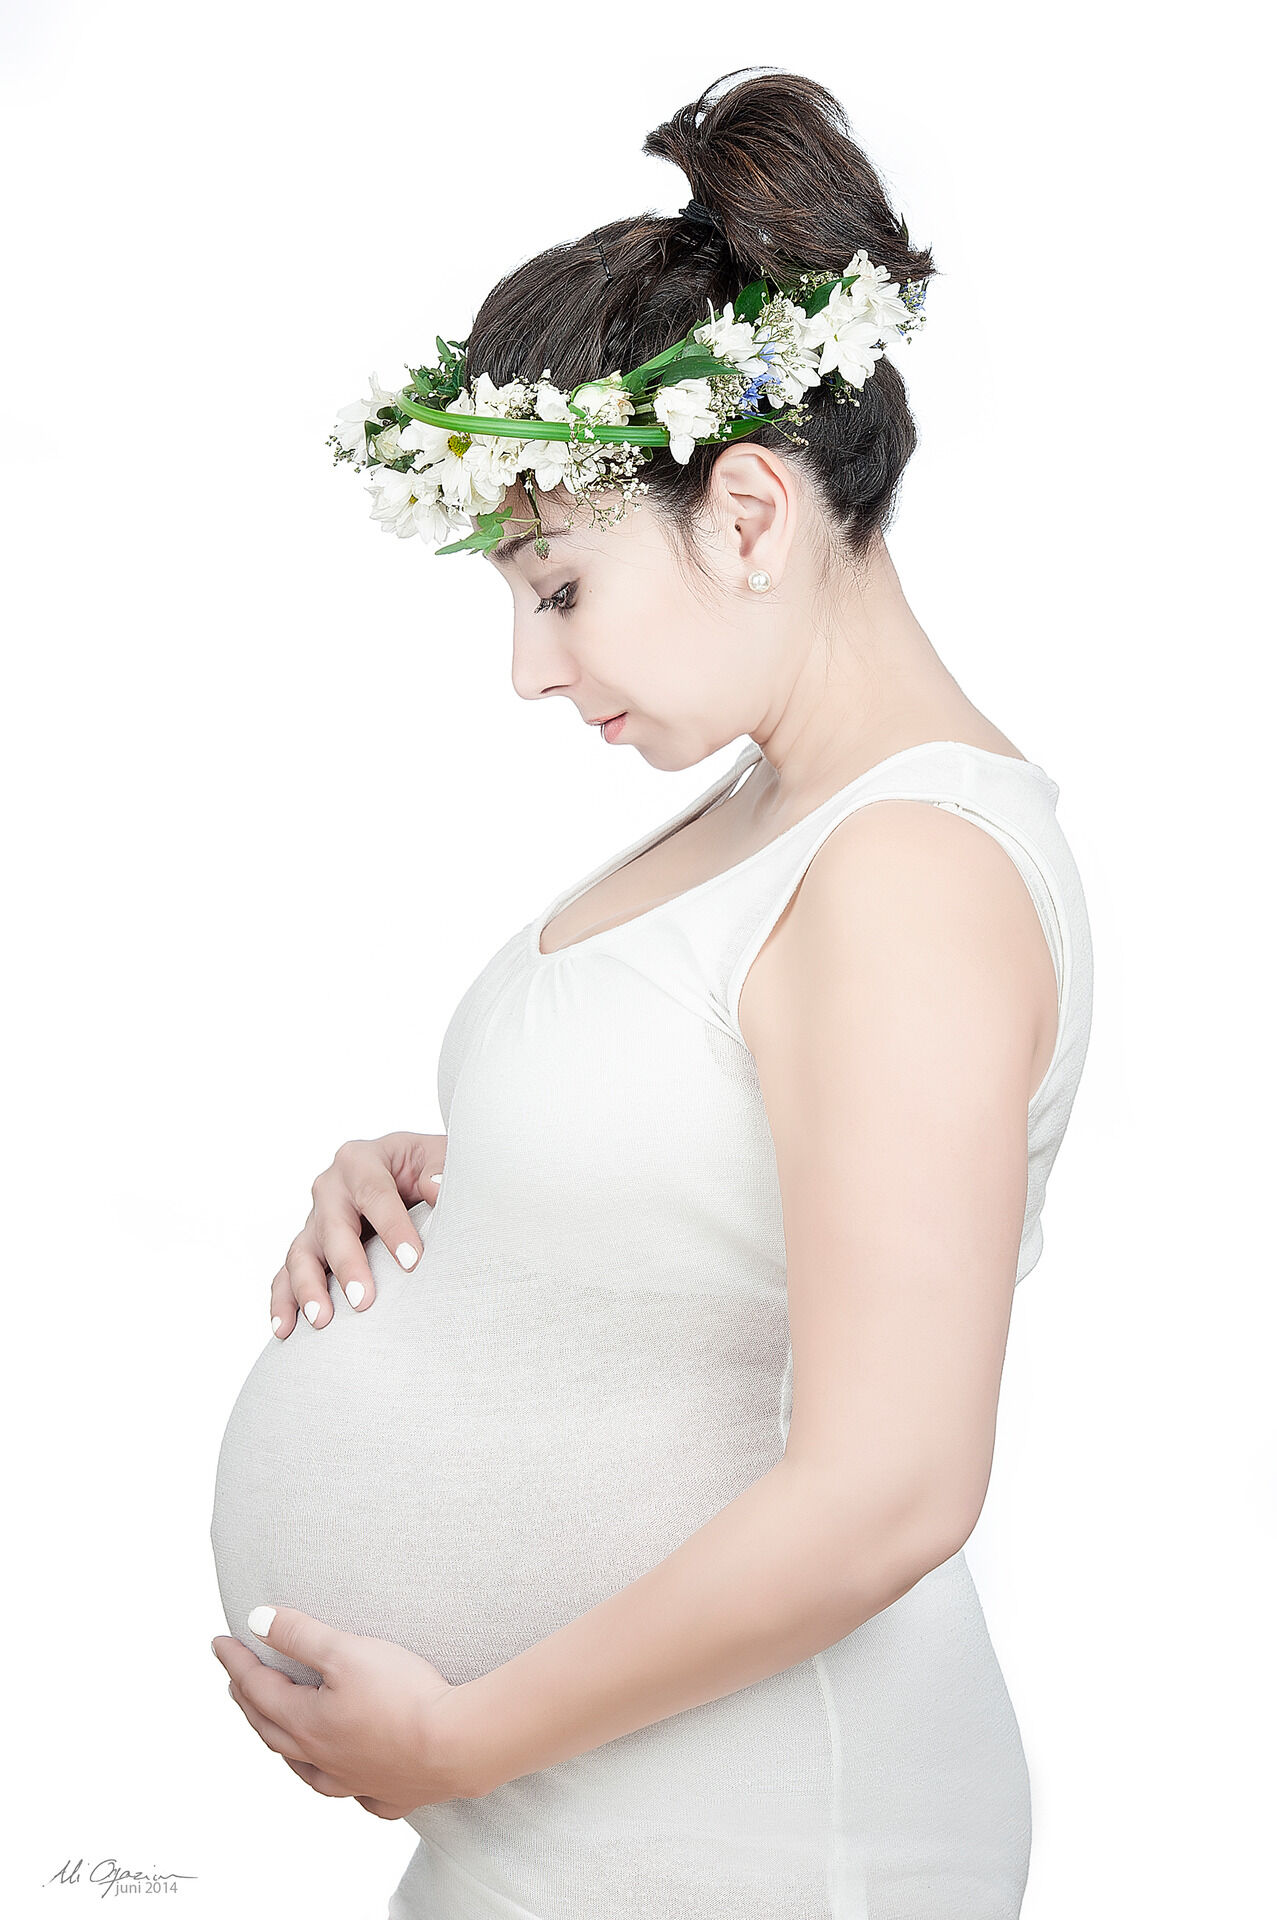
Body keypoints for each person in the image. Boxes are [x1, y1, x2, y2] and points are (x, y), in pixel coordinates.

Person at [210, 66, 1094, 1920]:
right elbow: (723, 1180)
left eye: (556, 587)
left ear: (749, 512)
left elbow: (893, 1486)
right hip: (583, 1826)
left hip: (751, 1839)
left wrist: (463, 1740)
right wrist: (474, 1194)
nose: (528, 671)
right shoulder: (782, 806)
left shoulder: (910, 872)